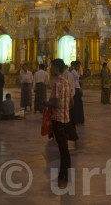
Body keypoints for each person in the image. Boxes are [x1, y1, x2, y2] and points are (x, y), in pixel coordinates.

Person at [47, 58, 74, 186]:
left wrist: (46, 103)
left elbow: (55, 102)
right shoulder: (67, 83)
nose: (50, 69)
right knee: (64, 148)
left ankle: (64, 173)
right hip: (66, 118)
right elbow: (71, 102)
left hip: (57, 119)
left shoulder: (56, 84)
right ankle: (65, 172)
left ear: (57, 68)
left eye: (51, 67)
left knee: (62, 148)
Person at [69, 60, 84, 127]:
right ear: (74, 66)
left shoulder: (75, 71)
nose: (78, 67)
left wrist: (80, 88)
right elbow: (79, 78)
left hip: (77, 89)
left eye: (79, 66)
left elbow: (77, 81)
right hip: (75, 90)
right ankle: (77, 120)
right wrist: (86, 75)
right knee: (77, 106)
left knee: (78, 106)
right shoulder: (73, 72)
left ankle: (78, 120)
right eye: (77, 66)